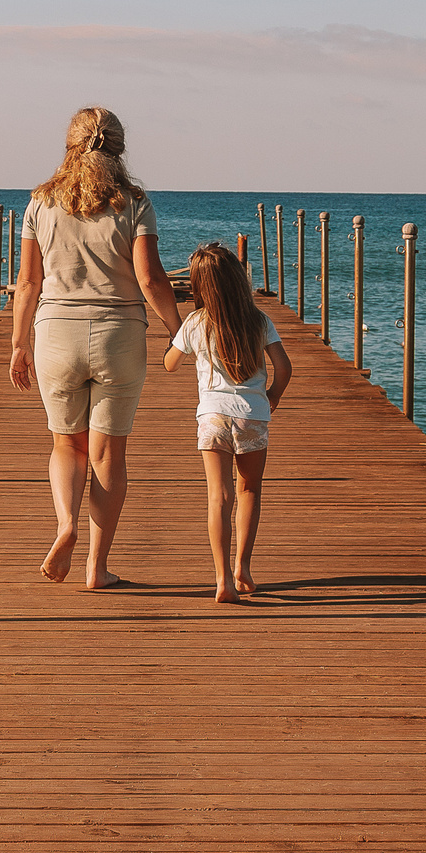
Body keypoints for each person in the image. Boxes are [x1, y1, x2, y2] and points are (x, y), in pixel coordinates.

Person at [8, 106, 184, 590]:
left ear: (70, 145)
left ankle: (65, 524)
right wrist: (177, 329)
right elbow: (149, 278)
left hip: (56, 335)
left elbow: (27, 282)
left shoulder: (40, 203)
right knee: (108, 455)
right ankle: (96, 568)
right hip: (119, 335)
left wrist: (19, 343)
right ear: (119, 149)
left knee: (67, 442)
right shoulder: (134, 202)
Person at [164, 241, 292, 604]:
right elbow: (284, 368)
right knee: (248, 490)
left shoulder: (195, 322)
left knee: (218, 497)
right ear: (238, 279)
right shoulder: (259, 320)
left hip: (213, 418)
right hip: (252, 415)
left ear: (198, 286)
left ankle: (222, 580)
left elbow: (171, 364)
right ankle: (244, 567)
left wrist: (175, 343)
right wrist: (273, 397)